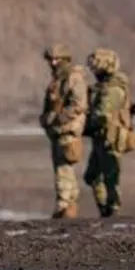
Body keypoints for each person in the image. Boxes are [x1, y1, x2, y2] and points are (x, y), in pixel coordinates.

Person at [83, 48, 135, 217]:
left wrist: (84, 122)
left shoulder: (113, 89)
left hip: (110, 137)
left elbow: (103, 114)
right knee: (93, 176)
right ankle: (105, 208)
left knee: (110, 176)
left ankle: (112, 208)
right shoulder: (103, 87)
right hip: (101, 136)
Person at [39, 44, 89, 219]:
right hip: (58, 130)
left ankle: (64, 204)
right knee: (63, 167)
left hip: (67, 129)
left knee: (63, 168)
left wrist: (58, 118)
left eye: (56, 60)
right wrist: (47, 120)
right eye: (50, 60)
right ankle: (68, 205)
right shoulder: (58, 79)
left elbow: (79, 105)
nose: (53, 63)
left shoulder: (73, 77)